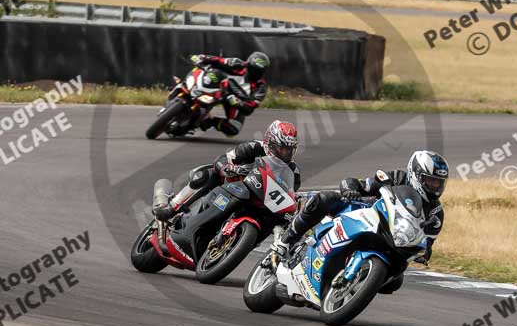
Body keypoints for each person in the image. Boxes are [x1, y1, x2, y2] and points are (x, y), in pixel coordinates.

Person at [270, 150, 449, 287]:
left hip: (392, 240)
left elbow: (427, 243)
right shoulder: (397, 178)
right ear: (416, 174)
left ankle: (351, 288)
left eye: (438, 183)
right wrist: (351, 188)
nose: (435, 187)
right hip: (364, 212)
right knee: (324, 199)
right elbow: (363, 184)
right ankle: (286, 241)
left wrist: (425, 253)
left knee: (395, 282)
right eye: (430, 180)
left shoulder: (436, 212)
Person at [153, 120, 301, 221]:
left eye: (288, 149)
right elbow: (223, 158)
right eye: (281, 148)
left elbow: (290, 195)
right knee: (208, 173)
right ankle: (172, 207)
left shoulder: (293, 171)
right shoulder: (254, 147)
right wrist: (227, 168)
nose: (284, 153)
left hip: (257, 201)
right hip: (230, 185)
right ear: (269, 142)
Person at [169, 52, 269, 137]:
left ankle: (209, 121)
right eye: (253, 70)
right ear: (248, 65)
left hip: (234, 99)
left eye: (259, 72)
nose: (255, 74)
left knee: (234, 129)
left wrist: (237, 103)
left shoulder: (261, 87)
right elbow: (217, 60)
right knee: (201, 72)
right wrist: (201, 58)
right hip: (219, 84)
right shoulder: (237, 63)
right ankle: (182, 86)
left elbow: (250, 107)